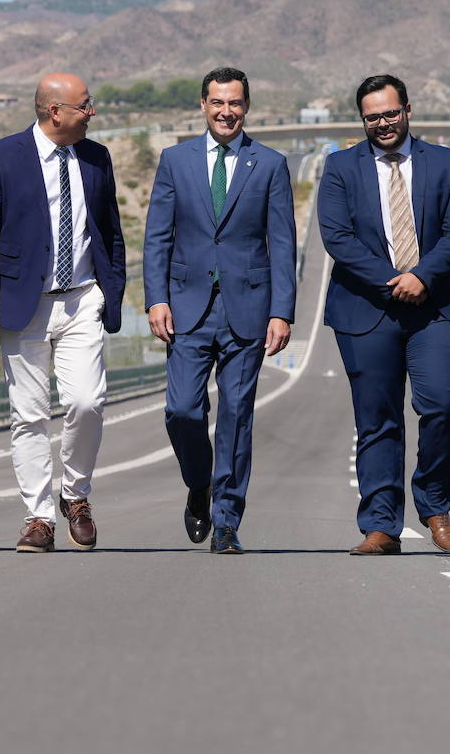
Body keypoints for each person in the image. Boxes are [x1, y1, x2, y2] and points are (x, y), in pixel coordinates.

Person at [0, 73, 126, 552]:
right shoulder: (2, 156)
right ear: (55, 111)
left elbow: (110, 230)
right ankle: (38, 518)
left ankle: (75, 495)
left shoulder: (96, 157)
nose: (92, 112)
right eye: (84, 105)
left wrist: (113, 290)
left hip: (82, 297)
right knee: (29, 415)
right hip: (23, 304)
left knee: (87, 402)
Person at [319, 75, 450, 555]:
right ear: (362, 120)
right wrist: (393, 280)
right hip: (367, 308)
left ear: (408, 110)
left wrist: (422, 276)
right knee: (377, 419)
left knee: (442, 407)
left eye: (390, 113)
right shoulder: (341, 166)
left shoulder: (443, 162)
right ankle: (381, 526)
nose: (383, 123)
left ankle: (434, 505)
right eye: (373, 117)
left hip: (437, 305)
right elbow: (337, 236)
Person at [142, 67, 296, 554]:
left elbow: (283, 242)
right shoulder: (175, 160)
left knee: (236, 414)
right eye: (217, 102)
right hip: (186, 308)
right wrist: (156, 298)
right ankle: (199, 482)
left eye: (235, 103)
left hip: (248, 308)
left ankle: (227, 521)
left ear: (246, 106)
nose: (226, 112)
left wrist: (282, 311)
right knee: (182, 410)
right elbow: (157, 236)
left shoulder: (269, 164)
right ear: (203, 105)